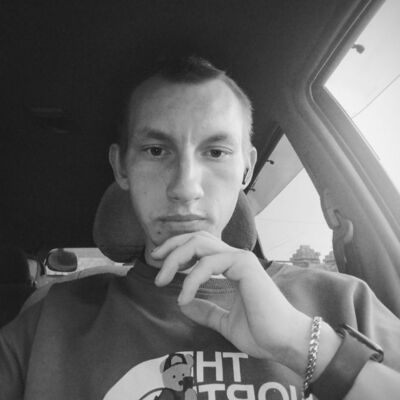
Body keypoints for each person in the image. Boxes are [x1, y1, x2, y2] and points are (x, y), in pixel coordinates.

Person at [1, 56, 400, 400]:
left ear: (246, 169)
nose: (184, 188)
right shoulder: (48, 323)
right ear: (121, 167)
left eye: (216, 152)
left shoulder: (345, 302)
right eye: (156, 150)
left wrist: (302, 343)